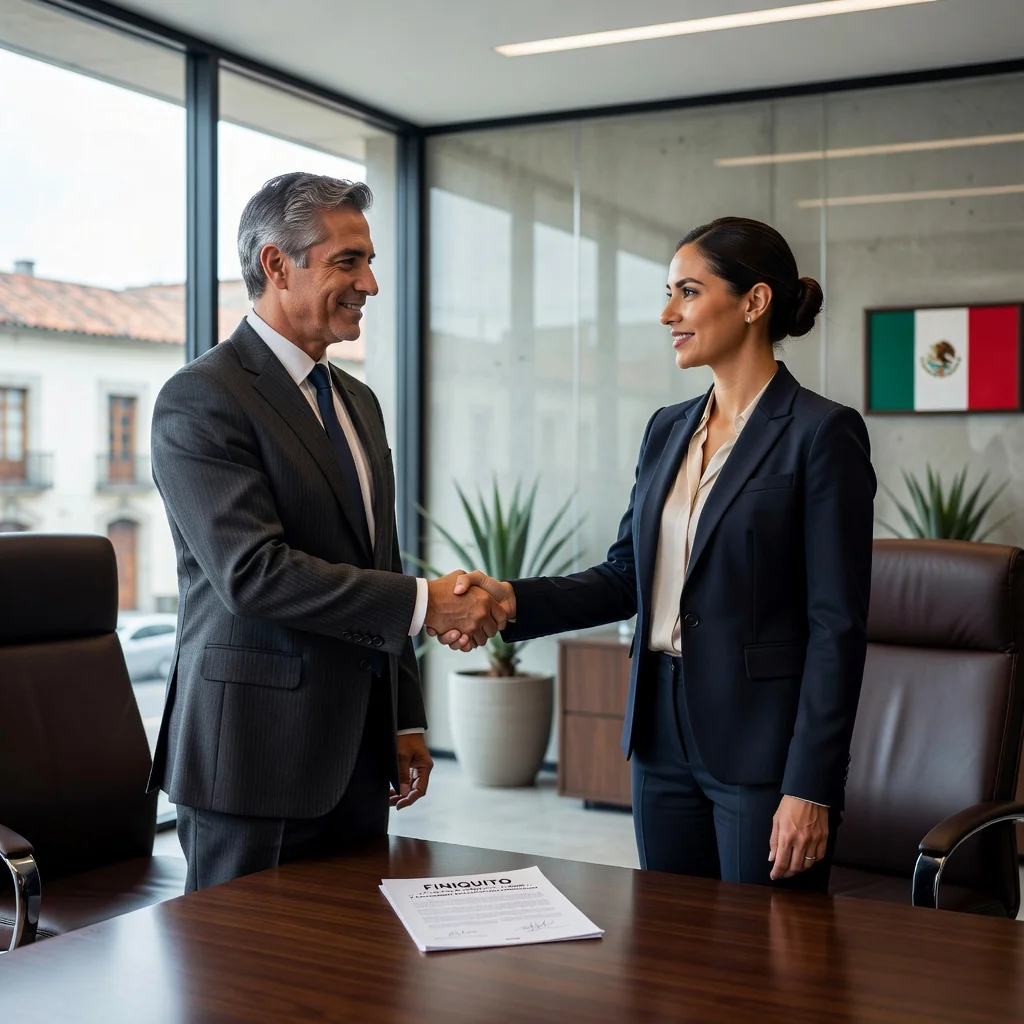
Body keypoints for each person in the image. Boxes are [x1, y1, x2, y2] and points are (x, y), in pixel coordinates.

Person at [440, 217, 876, 892]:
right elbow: (625, 577)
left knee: (767, 964)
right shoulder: (667, 429)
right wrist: (508, 599)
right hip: (660, 731)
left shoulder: (822, 434)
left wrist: (811, 787)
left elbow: (836, 628)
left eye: (689, 292)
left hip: (762, 746)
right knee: (673, 956)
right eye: (668, 292)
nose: (668, 312)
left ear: (754, 302)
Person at [149, 172, 505, 893]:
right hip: (252, 759)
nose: (370, 283)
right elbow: (254, 573)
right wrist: (428, 604)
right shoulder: (202, 397)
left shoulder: (359, 402)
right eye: (348, 261)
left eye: (369, 261)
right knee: (242, 990)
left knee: (352, 980)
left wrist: (404, 715)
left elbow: (382, 559)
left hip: (359, 756)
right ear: (277, 264)